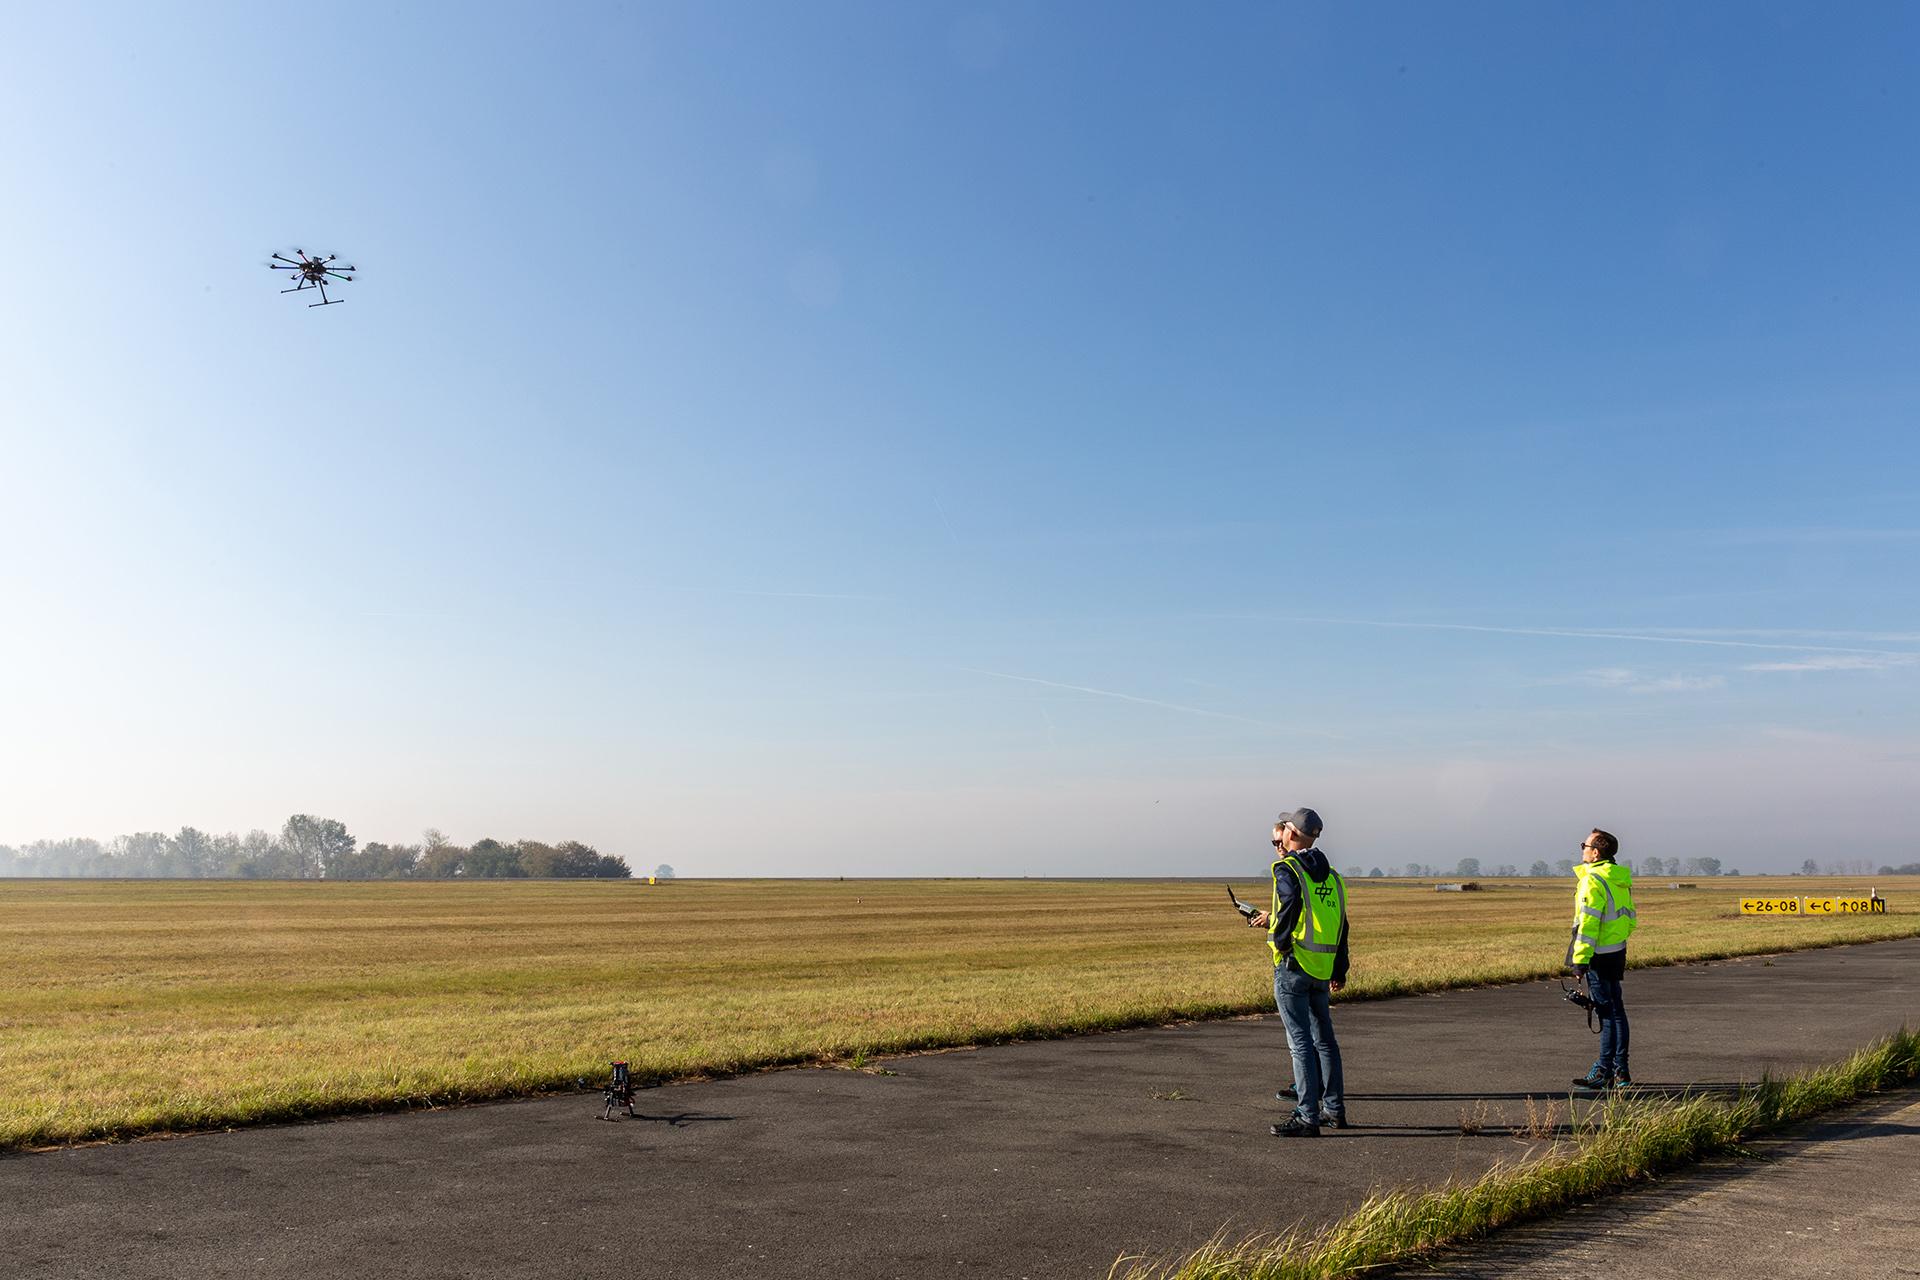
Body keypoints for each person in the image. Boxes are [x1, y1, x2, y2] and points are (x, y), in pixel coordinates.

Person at [1248, 807, 1349, 1137]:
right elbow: (1341, 924)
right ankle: (1333, 1109)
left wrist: (1279, 945)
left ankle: (1307, 1115)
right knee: (1326, 1041)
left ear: (1289, 833)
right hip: (1322, 968)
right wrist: (1339, 967)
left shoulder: (1286, 868)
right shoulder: (1333, 877)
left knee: (1300, 1043)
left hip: (1293, 967)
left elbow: (1289, 907)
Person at [1566, 828, 1636, 1089]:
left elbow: (1588, 923)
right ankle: (1622, 1072)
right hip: (1616, 952)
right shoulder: (1618, 879)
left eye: (1585, 844)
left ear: (1595, 853)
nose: (1582, 848)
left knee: (1606, 1015)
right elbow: (1630, 919)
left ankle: (1603, 1070)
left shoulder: (1592, 880)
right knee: (1617, 1012)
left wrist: (1580, 960)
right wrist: (1615, 942)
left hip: (1597, 955)